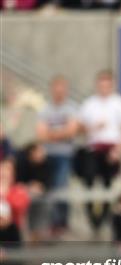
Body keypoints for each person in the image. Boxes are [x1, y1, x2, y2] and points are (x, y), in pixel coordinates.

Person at [79, 70, 121, 232]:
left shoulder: (120, 104)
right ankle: (93, 218)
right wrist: (93, 127)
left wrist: (118, 150)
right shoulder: (89, 104)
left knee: (110, 186)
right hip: (94, 149)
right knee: (88, 182)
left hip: (112, 150)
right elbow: (79, 128)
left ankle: (104, 219)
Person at [36, 75, 78, 232]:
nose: (59, 91)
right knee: (50, 188)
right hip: (47, 155)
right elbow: (40, 133)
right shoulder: (45, 109)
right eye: (56, 88)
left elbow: (72, 131)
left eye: (62, 88)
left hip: (64, 154)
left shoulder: (71, 108)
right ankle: (52, 221)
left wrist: (51, 134)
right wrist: (61, 133)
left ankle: (61, 221)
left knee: (61, 186)